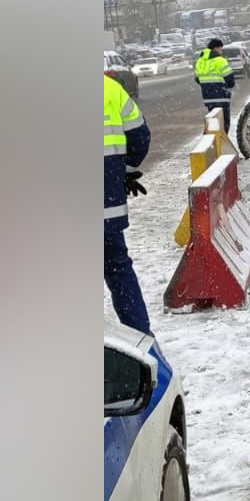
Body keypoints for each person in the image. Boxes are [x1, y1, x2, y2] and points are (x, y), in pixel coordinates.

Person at [104, 73, 152, 335]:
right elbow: (140, 137)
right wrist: (123, 170)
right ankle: (141, 339)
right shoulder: (109, 89)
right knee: (118, 269)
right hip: (106, 205)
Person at [193, 37, 235, 129]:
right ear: (216, 48)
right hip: (222, 98)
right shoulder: (220, 61)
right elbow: (230, 80)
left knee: (214, 122)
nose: (221, 51)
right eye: (221, 48)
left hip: (208, 98)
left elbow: (197, 79)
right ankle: (222, 141)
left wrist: (207, 86)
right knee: (224, 123)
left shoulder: (200, 62)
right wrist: (224, 87)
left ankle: (215, 140)